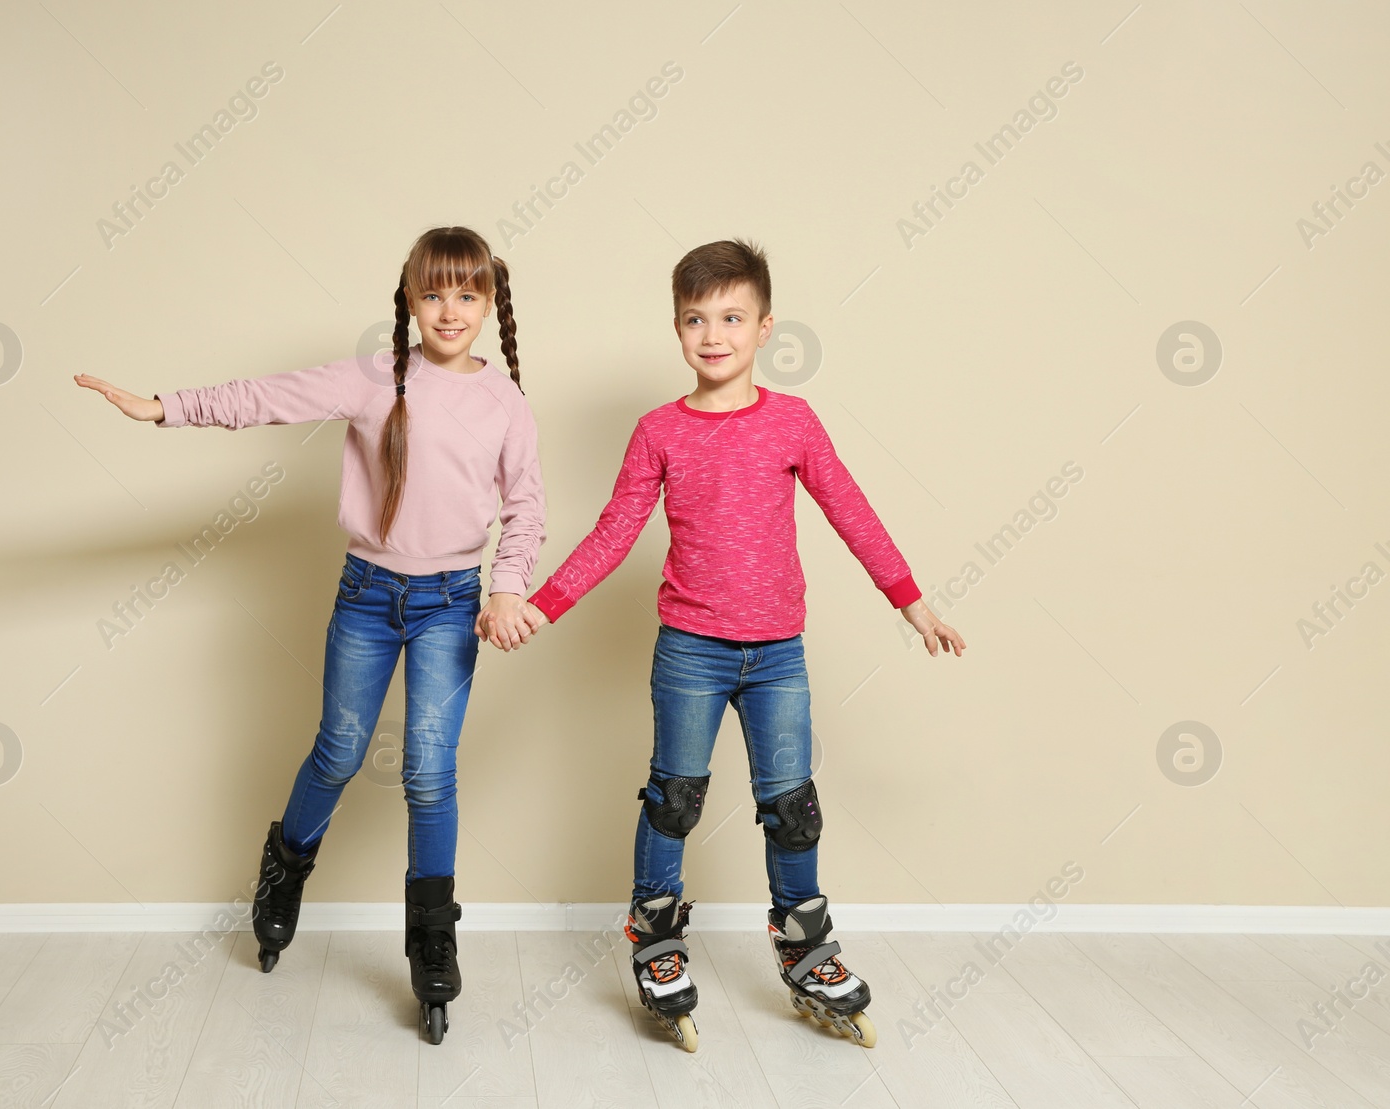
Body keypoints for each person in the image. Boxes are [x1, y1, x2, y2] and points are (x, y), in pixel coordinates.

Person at [75, 226, 545, 1045]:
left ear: (489, 303)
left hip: (450, 604)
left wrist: (507, 588)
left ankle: (432, 934)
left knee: (430, 773)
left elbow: (527, 507)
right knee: (339, 749)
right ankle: (284, 870)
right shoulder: (373, 380)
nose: (449, 309)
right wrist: (163, 408)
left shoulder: (505, 400)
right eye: (432, 293)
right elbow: (267, 396)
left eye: (467, 294)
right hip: (367, 594)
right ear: (407, 298)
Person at [521, 238, 964, 1051]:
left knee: (792, 807)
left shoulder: (792, 420)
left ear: (765, 327)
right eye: (695, 318)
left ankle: (806, 949)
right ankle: (656, 940)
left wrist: (912, 602)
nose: (712, 333)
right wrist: (540, 607)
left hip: (778, 654)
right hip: (690, 648)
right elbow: (615, 532)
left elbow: (851, 510)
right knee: (674, 796)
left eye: (731, 316)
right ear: (678, 329)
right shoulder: (659, 430)